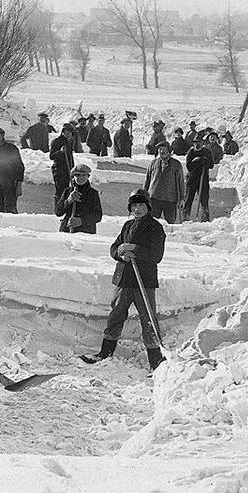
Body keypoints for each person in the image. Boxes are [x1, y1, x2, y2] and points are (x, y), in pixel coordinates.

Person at [81, 190, 166, 371]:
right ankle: (105, 352)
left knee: (148, 319)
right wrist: (120, 254)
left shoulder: (155, 227)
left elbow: (156, 255)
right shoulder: (127, 226)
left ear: (148, 206)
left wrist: (135, 248)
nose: (137, 209)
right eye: (134, 206)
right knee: (116, 315)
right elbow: (114, 247)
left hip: (143, 281)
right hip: (124, 279)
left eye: (141, 205)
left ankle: (156, 362)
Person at [142, 141, 185, 224]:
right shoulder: (153, 163)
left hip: (170, 199)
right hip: (154, 197)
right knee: (151, 222)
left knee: (170, 222)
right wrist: (144, 196)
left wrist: (182, 198)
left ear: (169, 151)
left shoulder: (176, 165)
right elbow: (147, 180)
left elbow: (181, 182)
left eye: (164, 149)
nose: (162, 152)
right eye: (160, 149)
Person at [0, 127, 25, 214]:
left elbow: (20, 167)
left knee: (10, 209)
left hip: (10, 184)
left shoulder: (12, 149)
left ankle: (13, 227)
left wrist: (19, 185)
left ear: (3, 136)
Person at [54, 164, 103, 234]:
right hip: (67, 231)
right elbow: (58, 212)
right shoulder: (68, 191)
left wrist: (81, 221)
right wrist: (69, 200)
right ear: (73, 177)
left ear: (87, 177)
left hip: (86, 232)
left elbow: (97, 215)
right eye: (78, 175)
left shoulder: (92, 193)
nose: (81, 178)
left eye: (83, 175)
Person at [184, 134, 214, 222]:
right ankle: (185, 217)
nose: (197, 145)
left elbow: (211, 165)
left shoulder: (207, 151)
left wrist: (206, 161)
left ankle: (205, 218)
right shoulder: (191, 152)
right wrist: (199, 160)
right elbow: (189, 166)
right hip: (192, 178)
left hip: (203, 178)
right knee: (188, 198)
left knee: (204, 199)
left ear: (202, 143)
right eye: (195, 143)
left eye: (199, 143)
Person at [49, 123, 76, 207]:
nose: (68, 133)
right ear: (63, 131)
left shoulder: (68, 142)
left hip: (67, 170)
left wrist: (72, 170)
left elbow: (70, 158)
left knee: (66, 190)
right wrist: (60, 151)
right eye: (66, 131)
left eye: (70, 132)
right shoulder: (57, 141)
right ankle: (58, 208)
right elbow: (51, 156)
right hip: (59, 169)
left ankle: (63, 208)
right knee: (60, 190)